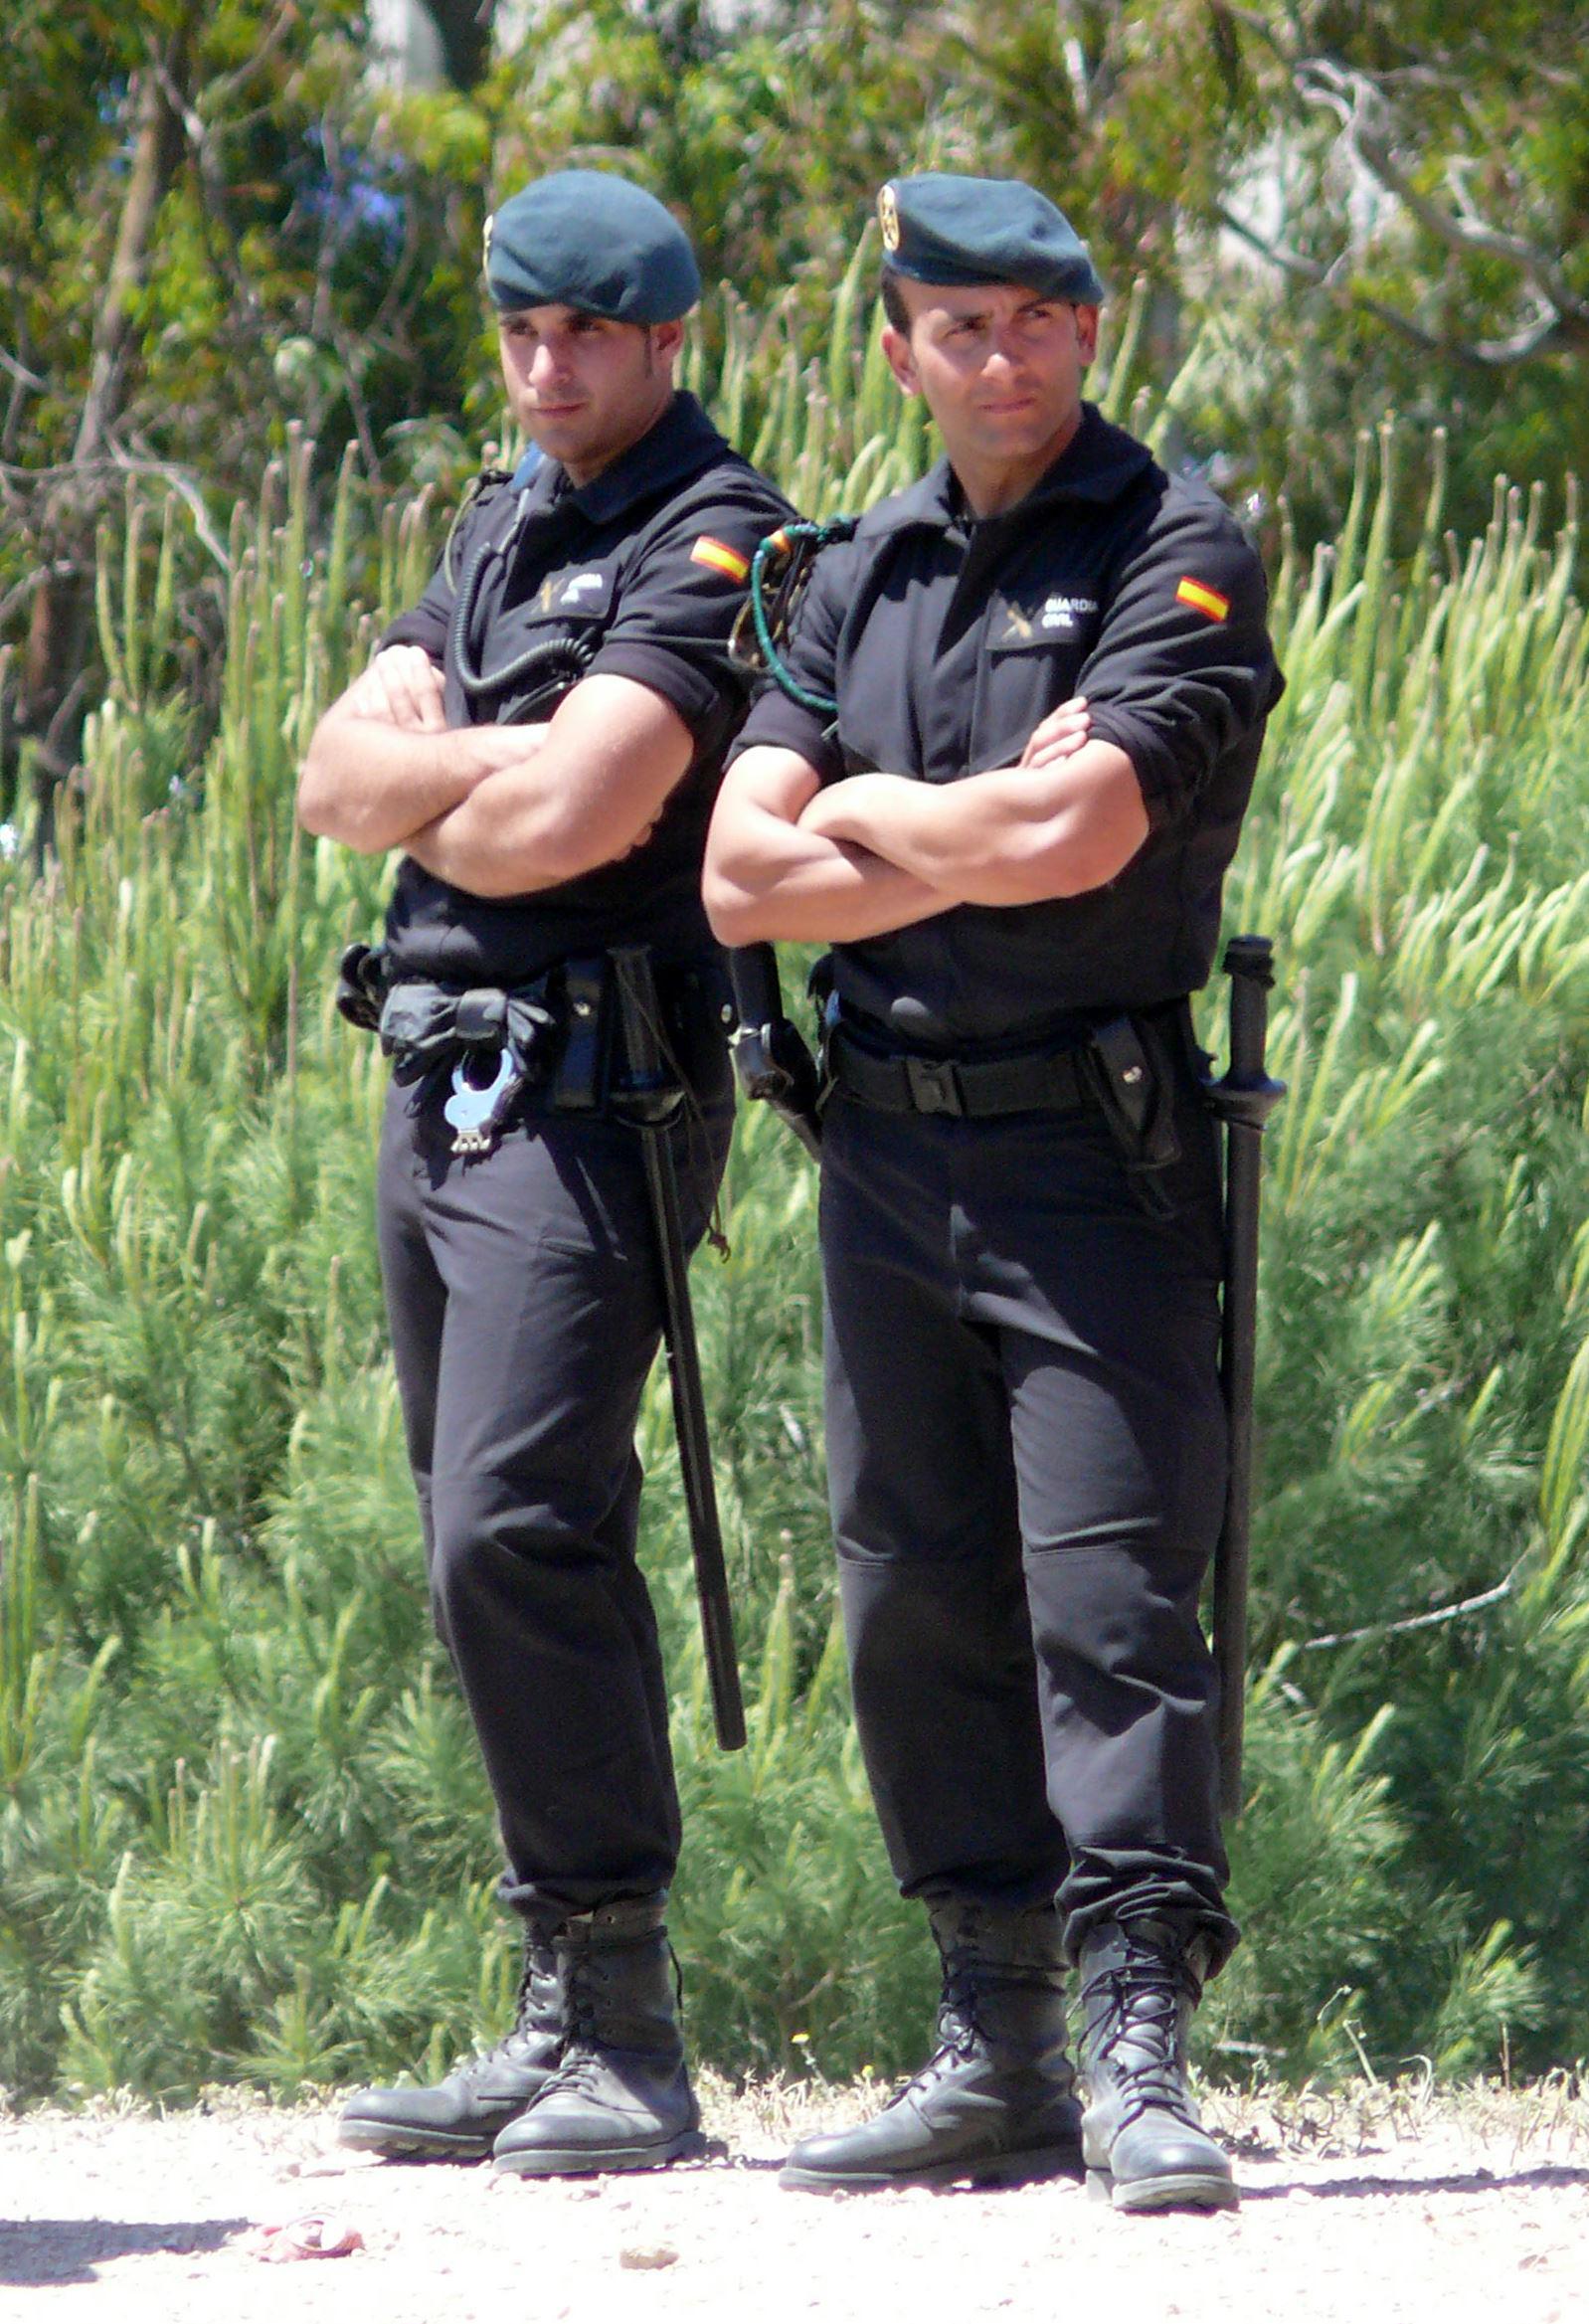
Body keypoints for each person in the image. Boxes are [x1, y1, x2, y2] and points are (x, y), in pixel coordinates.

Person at [703, 171, 1283, 2213]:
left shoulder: (1175, 551)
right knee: (914, 1589)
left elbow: (1078, 830)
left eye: (1039, 317)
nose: (1002, 353)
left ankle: (1135, 2038)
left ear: (1088, 330)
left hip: (1084, 1155)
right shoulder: (846, 572)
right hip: (881, 1146)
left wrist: (861, 813)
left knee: (1113, 1603)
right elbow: (730, 874)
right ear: (899, 346)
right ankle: (996, 2031)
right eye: (960, 322)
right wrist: (943, 817)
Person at [297, 168, 790, 2178]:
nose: (546, 362)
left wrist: (466, 770)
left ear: (666, 338)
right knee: (467, 1531)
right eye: (520, 329)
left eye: (585, 331)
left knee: (518, 1516)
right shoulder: (504, 517)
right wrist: (471, 770)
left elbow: (578, 816)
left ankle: (635, 2040)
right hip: (438, 1085)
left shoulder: (718, 529)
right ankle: (561, 2003)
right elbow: (336, 781)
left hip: (591, 1097)